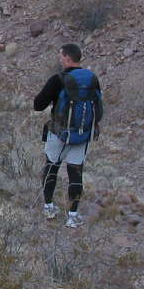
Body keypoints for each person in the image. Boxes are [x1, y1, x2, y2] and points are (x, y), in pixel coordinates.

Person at [33, 43, 103, 228]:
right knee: (75, 173)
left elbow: (38, 105)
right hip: (82, 134)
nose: (59, 59)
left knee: (51, 167)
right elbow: (98, 108)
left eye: (61, 56)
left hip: (59, 133)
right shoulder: (92, 79)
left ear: (67, 58)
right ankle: (73, 216)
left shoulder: (58, 79)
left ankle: (49, 207)